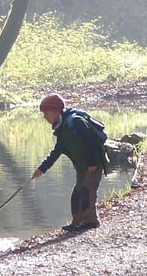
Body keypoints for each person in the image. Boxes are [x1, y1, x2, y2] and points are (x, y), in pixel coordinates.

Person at [30, 93, 107, 232]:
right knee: (77, 193)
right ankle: (77, 222)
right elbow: (57, 151)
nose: (45, 117)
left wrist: (93, 162)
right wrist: (42, 169)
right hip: (82, 166)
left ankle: (90, 222)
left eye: (46, 113)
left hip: (93, 163)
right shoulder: (62, 128)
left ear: (55, 111)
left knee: (87, 192)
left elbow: (91, 142)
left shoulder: (75, 121)